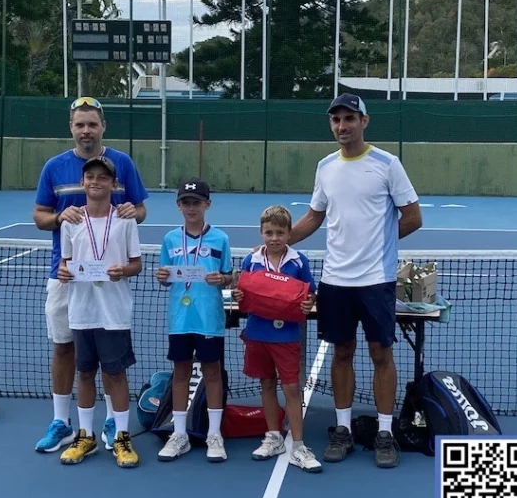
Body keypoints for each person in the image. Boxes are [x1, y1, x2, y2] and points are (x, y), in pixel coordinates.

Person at [288, 93, 422, 469]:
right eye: (336, 120)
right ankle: (342, 428)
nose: (342, 126)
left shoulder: (387, 164)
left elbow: (412, 217)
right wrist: (280, 243)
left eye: (349, 118)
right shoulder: (326, 166)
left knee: (381, 354)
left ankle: (384, 432)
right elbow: (314, 217)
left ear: (364, 121)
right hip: (335, 281)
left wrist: (380, 246)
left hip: (376, 280)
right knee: (342, 352)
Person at [32, 97, 149, 456]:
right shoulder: (54, 167)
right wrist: (58, 218)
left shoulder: (122, 163)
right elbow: (40, 215)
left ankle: (115, 421)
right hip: (65, 275)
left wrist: (134, 210)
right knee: (65, 347)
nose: (86, 130)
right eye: (80, 124)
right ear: (71, 127)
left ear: (103, 127)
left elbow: (139, 210)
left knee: (113, 363)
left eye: (92, 124)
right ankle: (62, 424)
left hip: (110, 282)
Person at [57, 155, 143, 467]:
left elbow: (137, 264)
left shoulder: (125, 220)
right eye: (90, 176)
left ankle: (122, 436)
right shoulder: (70, 222)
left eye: (102, 177)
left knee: (116, 374)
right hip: (82, 310)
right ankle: (85, 436)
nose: (96, 181)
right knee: (85, 374)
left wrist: (124, 270)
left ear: (113, 184)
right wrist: (64, 271)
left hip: (114, 311)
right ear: (82, 183)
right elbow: (64, 263)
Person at [233, 205, 323, 473]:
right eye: (269, 232)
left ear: (288, 233)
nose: (274, 238)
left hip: (286, 336)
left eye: (280, 232)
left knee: (292, 388)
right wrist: (238, 296)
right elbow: (242, 291)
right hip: (258, 333)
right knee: (267, 383)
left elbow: (311, 293)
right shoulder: (251, 261)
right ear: (261, 233)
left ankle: (298, 445)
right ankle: (273, 437)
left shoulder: (298, 261)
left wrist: (309, 303)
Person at [153, 179, 233, 463]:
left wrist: (222, 279)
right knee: (180, 373)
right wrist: (162, 277)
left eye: (196, 202)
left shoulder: (220, 239)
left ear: (207, 204)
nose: (191, 207)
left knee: (212, 373)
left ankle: (214, 434)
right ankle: (179, 435)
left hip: (209, 318)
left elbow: (229, 276)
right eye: (186, 202)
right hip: (180, 319)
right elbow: (166, 276)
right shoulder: (170, 239)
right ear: (178, 206)